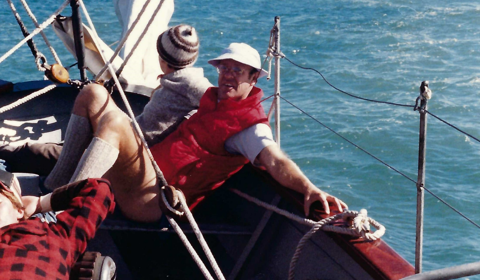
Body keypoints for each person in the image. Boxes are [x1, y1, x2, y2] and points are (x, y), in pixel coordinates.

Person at [45, 42, 347, 223]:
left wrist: (309, 188)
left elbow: (275, 159)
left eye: (237, 71)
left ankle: (65, 215)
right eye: (224, 68)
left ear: (254, 78)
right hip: (145, 171)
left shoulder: (250, 128)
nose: (228, 75)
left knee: (115, 124)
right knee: (93, 93)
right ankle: (56, 186)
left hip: (153, 199)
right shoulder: (212, 99)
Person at [0, 24, 211, 186]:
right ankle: (53, 177)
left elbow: (216, 98)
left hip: (136, 154)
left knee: (41, 153)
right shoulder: (180, 78)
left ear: (162, 57)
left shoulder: (192, 82)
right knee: (92, 92)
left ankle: (55, 187)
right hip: (133, 140)